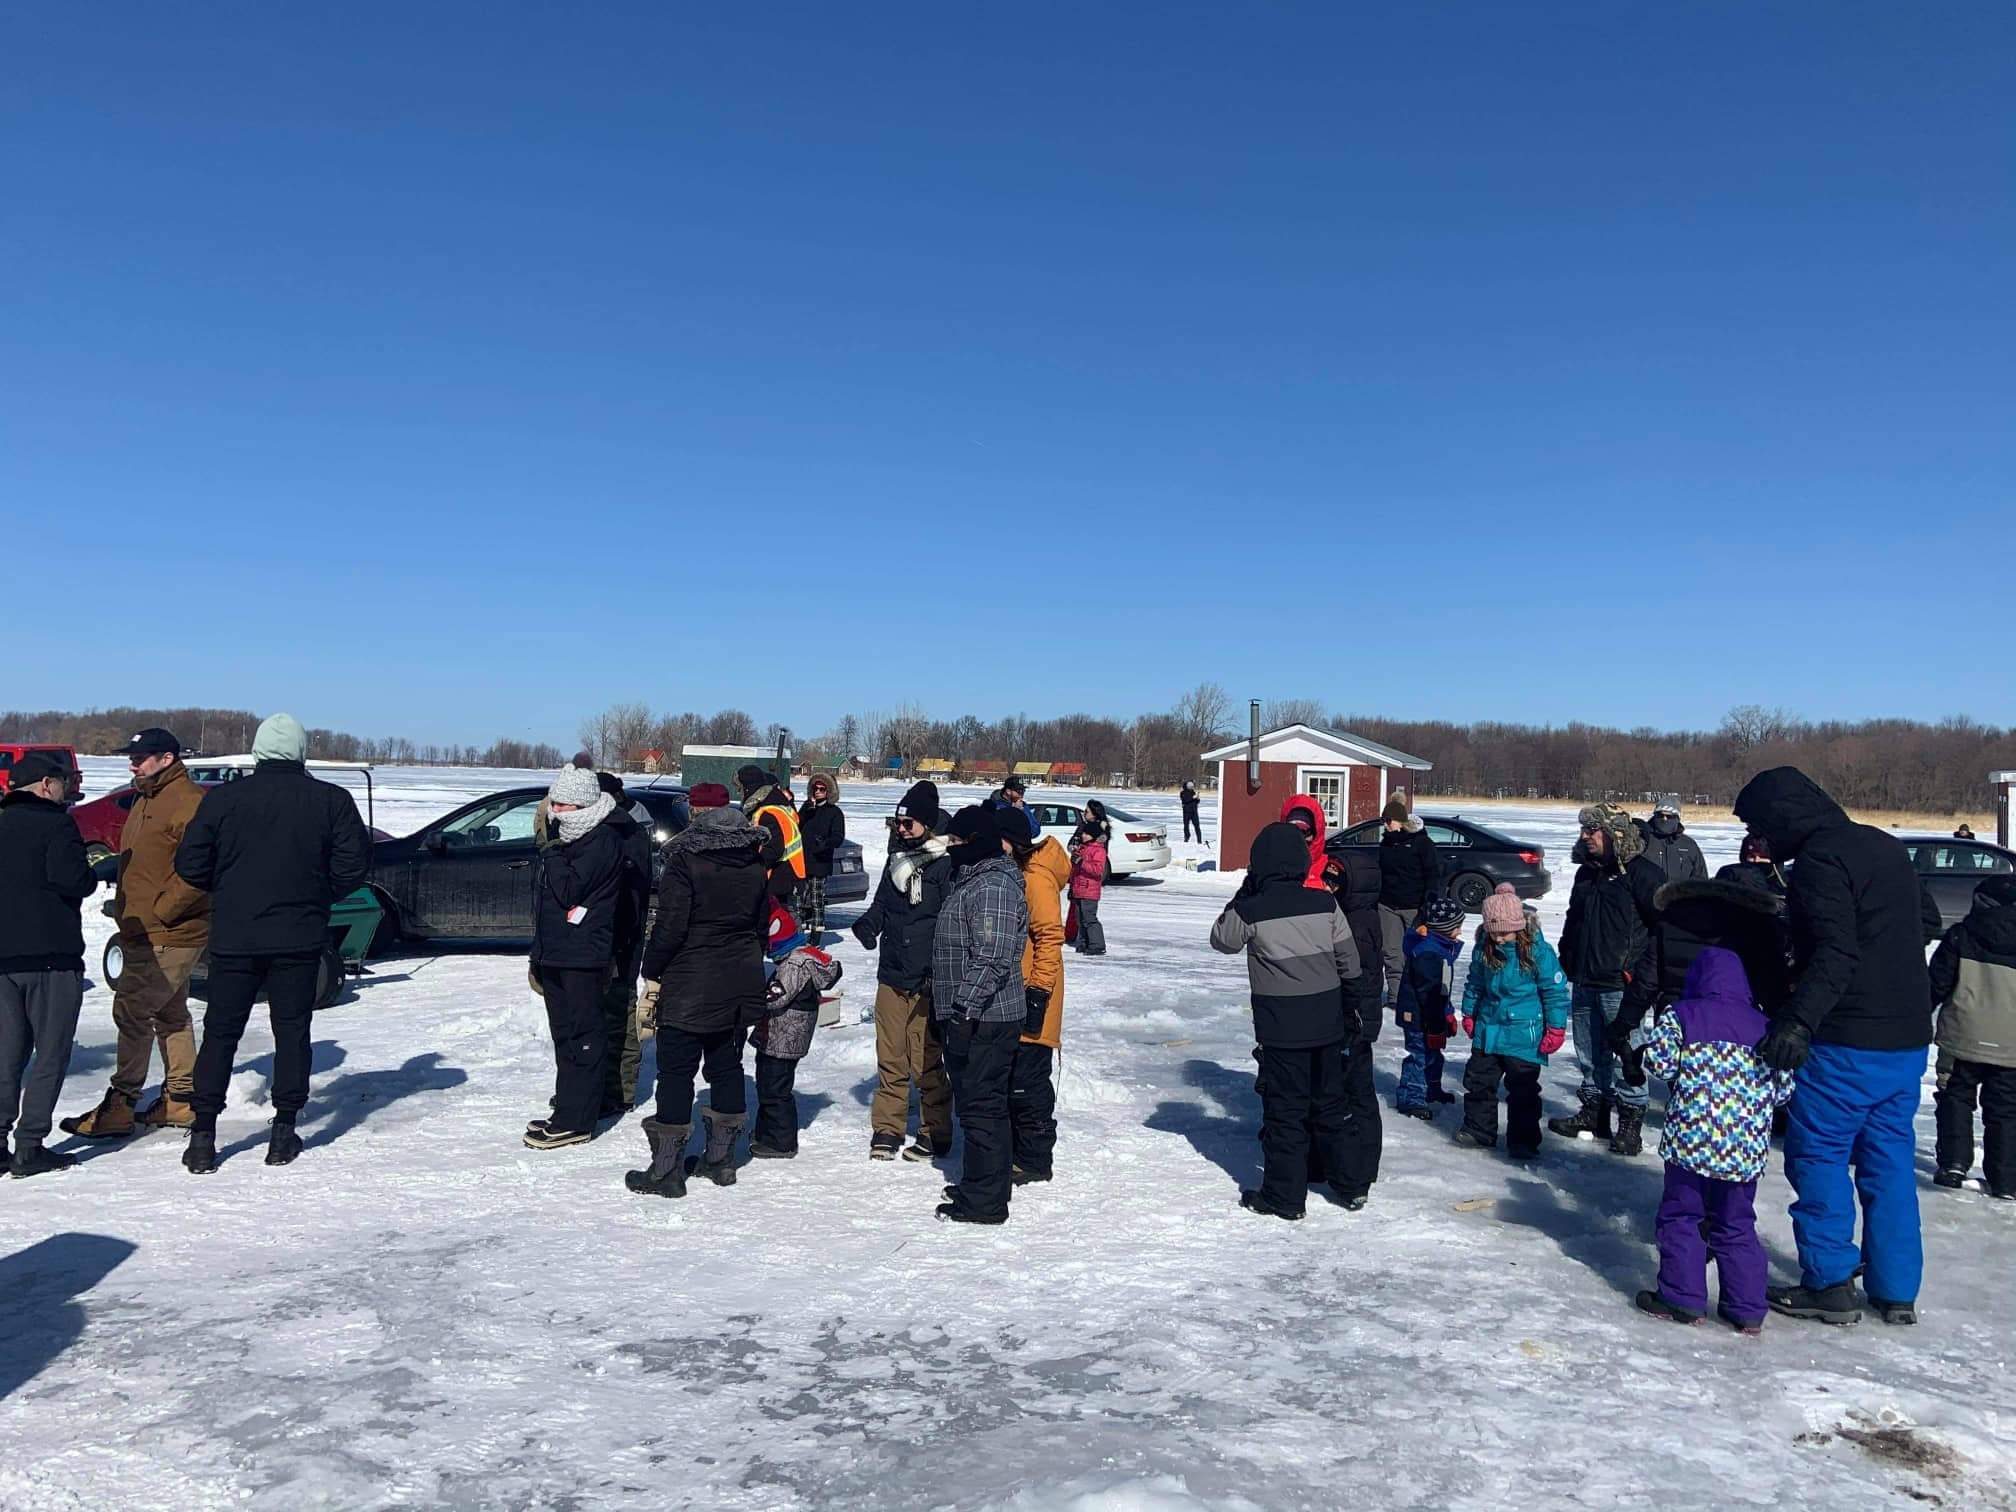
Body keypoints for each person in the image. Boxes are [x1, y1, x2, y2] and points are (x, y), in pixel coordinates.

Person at [1736, 766, 1934, 1327]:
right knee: (1888, 1161)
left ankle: (1829, 1283)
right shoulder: (1884, 846)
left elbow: (1836, 953)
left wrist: (1797, 1022)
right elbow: (1920, 924)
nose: (1760, 837)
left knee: (1819, 1155)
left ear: (1783, 814)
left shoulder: (1821, 862)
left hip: (1848, 1038)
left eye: (1759, 824)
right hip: (1906, 1039)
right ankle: (1897, 1290)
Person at [175, 714, 370, 1173]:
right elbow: (353, 865)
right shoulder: (330, 800)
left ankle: (203, 1134)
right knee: (292, 1032)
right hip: (298, 936)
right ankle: (283, 1132)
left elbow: (190, 864)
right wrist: (316, 894)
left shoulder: (223, 800)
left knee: (221, 1033)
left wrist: (228, 890)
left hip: (235, 936)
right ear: (301, 753)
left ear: (258, 753)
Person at [1633, 946, 1795, 1333]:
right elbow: (1784, 1088)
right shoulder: (1765, 1025)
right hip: (1743, 1152)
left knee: (1682, 1217)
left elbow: (1659, 1064)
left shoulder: (1683, 1015)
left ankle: (1682, 1299)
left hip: (1690, 1144)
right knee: (1736, 1225)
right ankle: (1746, 1309)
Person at [61, 728, 209, 1139]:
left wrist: (164, 909)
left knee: (132, 1010)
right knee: (170, 1012)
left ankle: (122, 1104)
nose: (133, 762)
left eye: (141, 756)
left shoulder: (188, 803)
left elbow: (200, 872)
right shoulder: (147, 798)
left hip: (170, 931)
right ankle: (181, 1100)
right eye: (131, 755)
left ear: (167, 758)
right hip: (142, 928)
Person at [1210, 822, 1362, 1220]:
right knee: (1331, 1104)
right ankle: (1351, 1184)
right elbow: (1350, 962)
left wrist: (1244, 893)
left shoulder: (1251, 909)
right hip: (1327, 1022)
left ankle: (1285, 1197)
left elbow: (1221, 939)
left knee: (1285, 1114)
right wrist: (1351, 1006)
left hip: (1281, 1030)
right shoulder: (1325, 903)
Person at [627, 783, 769, 1196]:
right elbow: (760, 929)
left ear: (698, 813)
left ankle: (665, 1171)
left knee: (676, 1071)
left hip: (691, 980)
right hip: (740, 978)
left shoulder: (685, 862)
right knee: (726, 1066)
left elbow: (670, 927)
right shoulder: (754, 863)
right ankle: (720, 1161)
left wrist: (651, 967)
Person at [523, 764, 644, 1151]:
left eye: (561, 805)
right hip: (558, 951)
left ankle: (577, 1119)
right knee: (565, 1037)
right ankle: (568, 1109)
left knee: (583, 1036)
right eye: (552, 803)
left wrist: (551, 853)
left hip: (584, 955)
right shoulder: (572, 838)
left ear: (582, 805)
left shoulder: (602, 840)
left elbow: (570, 889)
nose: (554, 811)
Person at [933, 806, 1030, 1225]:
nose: (949, 849)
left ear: (975, 843)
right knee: (975, 1105)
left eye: (955, 843)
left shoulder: (992, 887)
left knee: (983, 1107)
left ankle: (986, 1201)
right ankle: (980, 1182)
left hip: (986, 1018)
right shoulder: (971, 878)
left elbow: (991, 958)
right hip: (974, 1014)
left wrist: (963, 1012)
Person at [0, 752, 95, 1177]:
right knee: (50, 1052)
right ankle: (30, 1145)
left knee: (5, 1055)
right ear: (44, 785)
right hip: (51, 957)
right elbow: (73, 880)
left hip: (2, 960)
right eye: (61, 782)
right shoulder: (57, 824)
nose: (66, 790)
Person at [853, 781, 957, 1161]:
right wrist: (868, 925)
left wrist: (940, 970)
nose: (901, 829)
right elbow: (882, 903)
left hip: (927, 977)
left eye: (908, 823)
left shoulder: (945, 862)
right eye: (897, 823)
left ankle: (936, 1129)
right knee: (890, 1055)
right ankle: (888, 1127)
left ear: (926, 824)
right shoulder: (897, 858)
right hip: (892, 973)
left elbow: (949, 922)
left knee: (925, 1058)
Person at [1550, 804, 1662, 1153]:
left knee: (1626, 1054)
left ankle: (1629, 1125)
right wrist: (1567, 955)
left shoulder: (1643, 875)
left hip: (1622, 983)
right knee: (1589, 1053)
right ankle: (1593, 1112)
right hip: (1585, 977)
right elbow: (1573, 917)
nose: (1585, 837)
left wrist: (1642, 975)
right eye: (1583, 831)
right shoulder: (1587, 873)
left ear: (1614, 834)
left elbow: (1663, 930)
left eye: (1592, 831)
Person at [1454, 884, 1569, 1158]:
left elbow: (1554, 993)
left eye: (1504, 932)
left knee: (1523, 1089)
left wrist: (1556, 1027)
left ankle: (1523, 1139)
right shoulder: (1484, 947)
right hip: (1489, 1027)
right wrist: (1469, 1013)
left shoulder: (1539, 952)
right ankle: (1479, 1130)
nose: (1499, 939)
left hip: (1524, 1033)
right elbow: (1475, 984)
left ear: (1518, 926)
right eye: (1494, 933)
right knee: (1479, 1081)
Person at [1927, 875, 2016, 1200]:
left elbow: (1936, 983)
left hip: (1961, 1034)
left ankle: (1953, 1165)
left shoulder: (1961, 935)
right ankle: (2006, 1180)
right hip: (2011, 1041)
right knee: (2005, 1110)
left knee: (1955, 1098)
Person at [1010, 819, 1070, 1185]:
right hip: (1020, 988)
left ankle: (1034, 1158)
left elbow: (1049, 937)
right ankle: (1019, 1150)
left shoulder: (1034, 876)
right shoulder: (1021, 871)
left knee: (1029, 1079)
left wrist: (1038, 991)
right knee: (1017, 1075)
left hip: (1036, 991)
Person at [747, 935, 842, 1160]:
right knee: (770, 1084)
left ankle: (781, 1142)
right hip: (789, 1036)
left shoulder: (793, 964)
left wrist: (751, 999)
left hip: (783, 1037)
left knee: (774, 1089)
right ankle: (766, 1132)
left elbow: (775, 997)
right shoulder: (806, 958)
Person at [1328, 842, 1385, 1208]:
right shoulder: (1357, 914)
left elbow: (1357, 978)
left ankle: (1358, 1172)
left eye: (1336, 882)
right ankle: (1352, 1167)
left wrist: (1354, 1019)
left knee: (1355, 1096)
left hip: (1355, 1019)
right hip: (1354, 1016)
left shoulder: (1356, 922)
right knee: (1353, 1093)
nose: (1330, 888)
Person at [596, 769, 653, 1118]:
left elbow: (629, 901)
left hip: (621, 946)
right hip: (612, 945)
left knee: (620, 1017)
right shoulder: (623, 830)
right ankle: (608, 1088)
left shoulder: (627, 835)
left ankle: (621, 1091)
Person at [1394, 895, 1467, 1120]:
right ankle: (1412, 1098)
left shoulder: (1439, 947)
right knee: (1419, 1055)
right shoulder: (1428, 953)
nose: (1460, 932)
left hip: (1433, 1013)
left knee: (1434, 1054)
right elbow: (1430, 993)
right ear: (1443, 928)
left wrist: (1447, 1012)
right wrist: (1437, 1021)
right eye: (1457, 927)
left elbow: (1441, 990)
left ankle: (1431, 1088)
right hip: (1418, 1016)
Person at [1377, 797, 1441, 1007]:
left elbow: (1433, 875)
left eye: (1390, 820)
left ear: (1401, 820)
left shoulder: (1422, 843)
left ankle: (1417, 995)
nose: (1387, 824)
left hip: (1414, 907)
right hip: (1388, 906)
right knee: (1392, 953)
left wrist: (1428, 905)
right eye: (1384, 820)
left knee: (1417, 953)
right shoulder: (1386, 843)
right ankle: (1396, 997)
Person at [737, 765, 805, 903]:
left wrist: (750, 865)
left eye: (740, 788)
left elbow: (773, 848)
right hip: (789, 874)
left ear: (748, 788)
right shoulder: (779, 805)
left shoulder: (767, 813)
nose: (739, 792)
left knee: (776, 919)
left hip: (776, 878)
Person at [796, 772, 847, 944]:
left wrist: (824, 843)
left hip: (820, 862)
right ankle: (799, 934)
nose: (817, 792)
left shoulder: (834, 812)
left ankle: (816, 937)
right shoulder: (806, 808)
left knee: (817, 900)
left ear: (828, 792)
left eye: (821, 789)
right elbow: (795, 826)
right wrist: (804, 812)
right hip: (801, 862)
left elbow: (838, 837)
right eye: (815, 788)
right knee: (800, 900)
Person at [1637, 799, 1708, 884]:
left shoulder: (1689, 845)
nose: (1664, 819)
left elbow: (1701, 879)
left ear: (1677, 818)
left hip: (1680, 895)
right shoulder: (1642, 840)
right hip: (1648, 895)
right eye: (1660, 815)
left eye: (1669, 816)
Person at [1067, 822, 1108, 956]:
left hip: (1090, 891)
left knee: (1089, 918)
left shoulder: (1099, 850)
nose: (1083, 836)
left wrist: (1082, 862)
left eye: (1086, 834)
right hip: (1078, 889)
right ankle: (1084, 942)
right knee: (1080, 919)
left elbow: (1097, 870)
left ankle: (1097, 944)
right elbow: (1075, 871)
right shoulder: (1083, 848)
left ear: (1093, 835)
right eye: (1083, 833)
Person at [1716, 832, 1786, 897]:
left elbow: (1778, 864)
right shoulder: (1748, 839)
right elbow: (1743, 857)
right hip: (1750, 869)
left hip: (1767, 877)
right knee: (1727, 872)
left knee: (1734, 874)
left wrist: (1761, 860)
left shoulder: (1774, 839)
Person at [996, 773, 1041, 840]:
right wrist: (1015, 812)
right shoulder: (997, 807)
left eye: (1023, 790)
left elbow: (1034, 831)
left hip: (1021, 847)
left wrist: (1021, 812)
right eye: (1019, 791)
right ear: (1008, 791)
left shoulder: (1023, 805)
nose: (1022, 793)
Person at [1180, 781, 1204, 846]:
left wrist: (1197, 798)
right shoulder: (1183, 793)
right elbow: (1185, 800)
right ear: (1187, 786)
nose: (1191, 788)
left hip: (1194, 812)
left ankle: (1199, 840)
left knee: (1197, 826)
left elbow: (1196, 802)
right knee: (1186, 825)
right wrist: (1193, 797)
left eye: (1192, 787)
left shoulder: (1193, 792)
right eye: (1190, 787)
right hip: (1186, 812)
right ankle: (1187, 837)